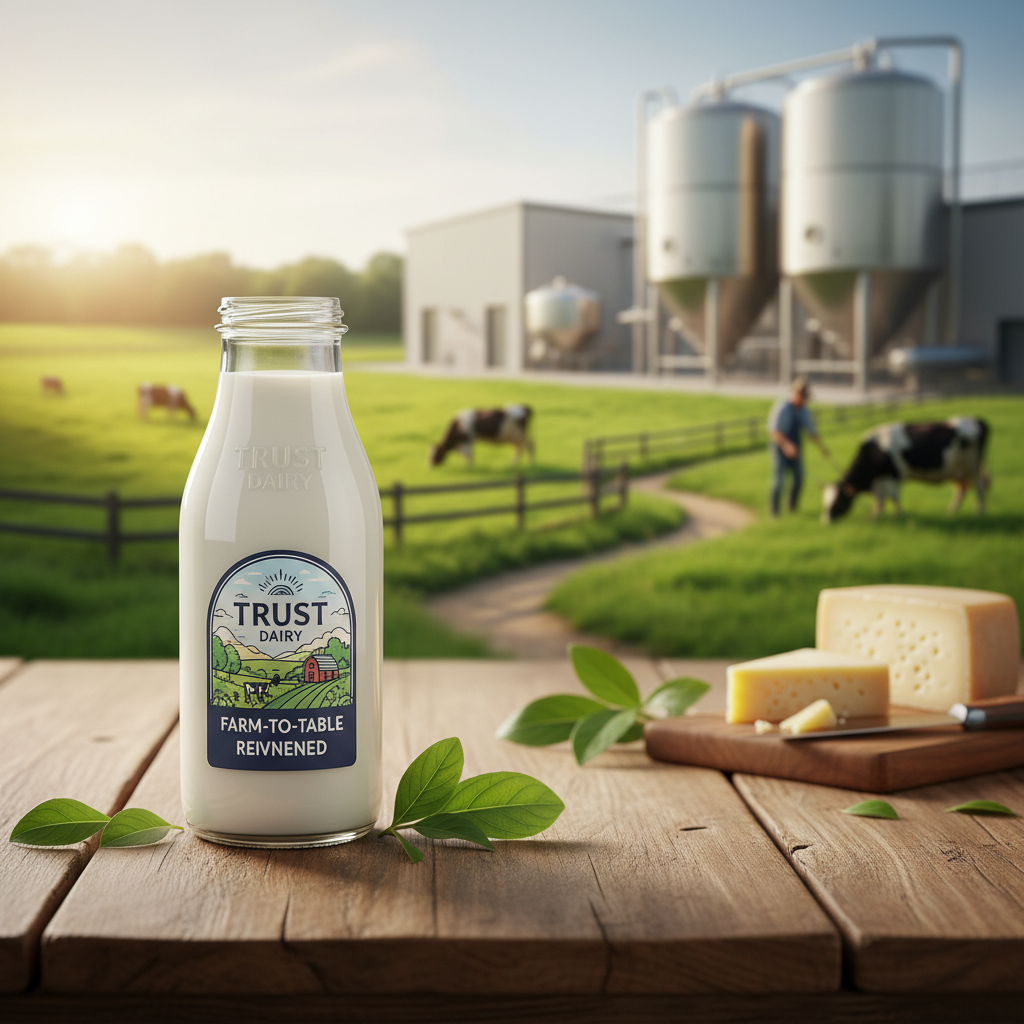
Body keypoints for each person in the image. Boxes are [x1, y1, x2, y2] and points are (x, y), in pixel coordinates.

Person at [767, 377, 830, 516]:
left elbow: (811, 430)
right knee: (779, 481)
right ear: (796, 394)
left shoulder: (803, 410)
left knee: (799, 478)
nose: (805, 401)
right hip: (780, 447)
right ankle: (774, 512)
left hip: (796, 447)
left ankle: (792, 507)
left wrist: (822, 448)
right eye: (803, 397)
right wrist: (787, 446)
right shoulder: (782, 407)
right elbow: (773, 431)